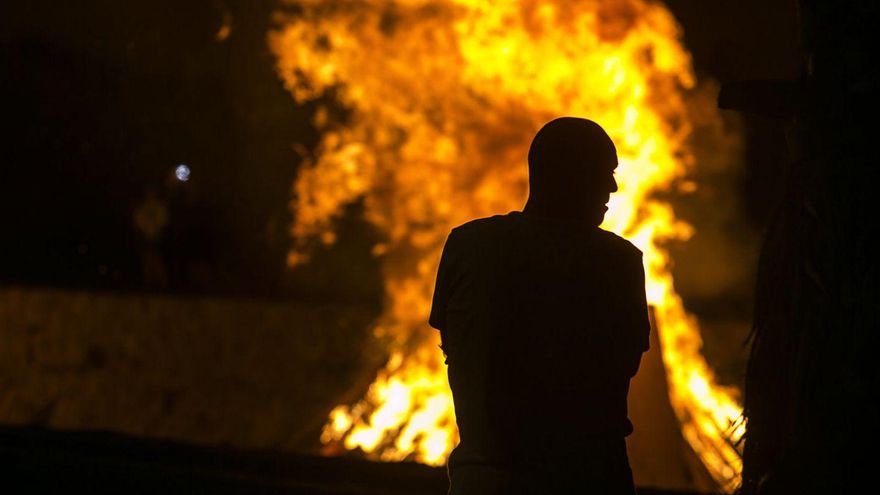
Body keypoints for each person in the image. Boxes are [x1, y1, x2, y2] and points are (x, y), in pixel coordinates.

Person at [429, 117, 650, 494]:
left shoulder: (467, 246)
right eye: (603, 172)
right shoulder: (617, 264)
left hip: (482, 480)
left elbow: (453, 344)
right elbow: (622, 365)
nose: (613, 187)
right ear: (564, 175)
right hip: (585, 480)